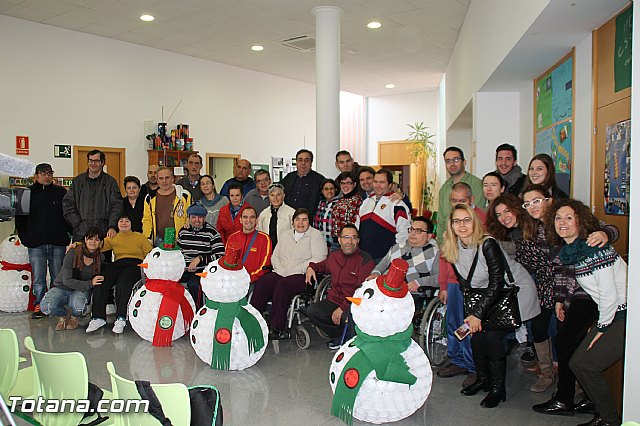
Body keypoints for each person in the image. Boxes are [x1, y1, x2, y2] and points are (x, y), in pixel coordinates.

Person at [525, 183, 618, 417]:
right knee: (568, 342)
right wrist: (559, 299)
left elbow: (608, 231)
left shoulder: (570, 218)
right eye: (527, 204)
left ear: (548, 199)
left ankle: (565, 398)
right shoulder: (544, 230)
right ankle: (583, 396)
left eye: (537, 200)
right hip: (575, 291)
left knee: (566, 341)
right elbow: (560, 268)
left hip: (591, 292)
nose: (532, 206)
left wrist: (605, 233)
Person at [441, 205, 539, 408]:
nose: (462, 225)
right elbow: (465, 285)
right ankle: (483, 380)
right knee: (476, 338)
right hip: (484, 296)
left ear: (475, 222)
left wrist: (477, 315)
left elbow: (497, 282)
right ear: (451, 225)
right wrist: (471, 316)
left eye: (467, 220)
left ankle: (498, 389)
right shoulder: (453, 247)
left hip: (511, 292)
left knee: (492, 337)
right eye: (457, 221)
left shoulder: (487, 244)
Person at [547, 199, 627, 426]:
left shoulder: (593, 248)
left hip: (625, 314)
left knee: (587, 365)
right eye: (558, 218)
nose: (562, 222)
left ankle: (609, 420)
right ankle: (603, 414)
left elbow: (610, 295)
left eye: (569, 218)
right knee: (577, 363)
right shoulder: (573, 251)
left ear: (580, 222)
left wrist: (602, 328)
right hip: (612, 313)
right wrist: (562, 301)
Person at [436, 181, 489, 386]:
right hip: (452, 282)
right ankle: (457, 359)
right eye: (454, 201)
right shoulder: (451, 221)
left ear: (472, 200)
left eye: (463, 200)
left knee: (468, 325)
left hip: (473, 283)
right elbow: (444, 255)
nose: (458, 204)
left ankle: (473, 366)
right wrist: (442, 285)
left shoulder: (480, 220)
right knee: (453, 323)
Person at [251, 208, 327, 340]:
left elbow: (319, 257)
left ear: (309, 222)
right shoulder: (286, 235)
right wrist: (279, 268)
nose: (300, 223)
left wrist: (297, 269)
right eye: (297, 219)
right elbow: (275, 255)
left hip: (302, 275)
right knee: (263, 282)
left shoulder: (316, 235)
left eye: (304, 219)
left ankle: (277, 327)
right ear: (293, 222)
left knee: (283, 286)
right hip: (282, 271)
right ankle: (253, 320)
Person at [15, 163, 72, 319]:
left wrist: (69, 236)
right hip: (36, 243)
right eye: (43, 173)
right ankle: (39, 305)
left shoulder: (61, 193)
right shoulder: (26, 193)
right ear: (36, 176)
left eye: (49, 173)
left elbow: (67, 216)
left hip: (58, 242)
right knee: (39, 278)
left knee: (58, 277)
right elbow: (20, 219)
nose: (47, 176)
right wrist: (25, 238)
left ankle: (56, 305)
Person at [305, 224, 374, 347]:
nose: (350, 241)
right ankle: (341, 336)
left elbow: (361, 291)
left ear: (358, 241)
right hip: (334, 300)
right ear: (339, 240)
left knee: (345, 318)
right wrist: (311, 267)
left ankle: (351, 340)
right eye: (346, 237)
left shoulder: (365, 260)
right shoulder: (334, 255)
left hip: (354, 304)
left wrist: (342, 308)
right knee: (313, 311)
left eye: (354, 237)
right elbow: (323, 266)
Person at [86, 215, 152, 334]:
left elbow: (150, 254)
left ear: (132, 223)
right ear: (117, 224)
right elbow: (94, 244)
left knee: (124, 281)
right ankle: (98, 317)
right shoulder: (113, 237)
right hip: (118, 263)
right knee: (101, 280)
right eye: (121, 221)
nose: (124, 223)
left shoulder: (140, 237)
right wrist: (76, 245)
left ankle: (121, 318)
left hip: (136, 264)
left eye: (127, 220)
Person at [40, 227, 104, 331]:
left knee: (78, 308)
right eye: (90, 238)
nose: (93, 242)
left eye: (97, 239)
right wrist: (90, 283)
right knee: (46, 307)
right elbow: (67, 281)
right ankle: (65, 315)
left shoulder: (100, 258)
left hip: (80, 290)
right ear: (85, 240)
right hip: (62, 287)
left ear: (101, 243)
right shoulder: (73, 252)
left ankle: (74, 317)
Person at [63, 149, 122, 242]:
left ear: (102, 162)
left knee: (102, 257)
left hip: (103, 234)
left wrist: (112, 226)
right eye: (90, 161)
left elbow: (116, 206)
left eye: (96, 161)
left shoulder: (110, 182)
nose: (93, 164)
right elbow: (68, 205)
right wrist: (78, 224)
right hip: (81, 234)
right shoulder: (77, 182)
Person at [368, 217, 439, 292]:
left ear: (429, 236)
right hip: (385, 289)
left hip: (411, 294)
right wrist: (375, 273)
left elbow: (440, 278)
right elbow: (382, 265)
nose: (413, 233)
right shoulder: (397, 247)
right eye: (411, 229)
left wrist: (419, 282)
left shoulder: (435, 253)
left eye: (418, 231)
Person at [356, 168, 410, 262]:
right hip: (364, 259)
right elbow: (357, 228)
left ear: (390, 185)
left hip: (385, 260)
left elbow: (404, 234)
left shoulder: (397, 204)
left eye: (382, 182)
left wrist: (396, 256)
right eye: (375, 181)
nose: (378, 185)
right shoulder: (366, 203)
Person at [177, 204, 225, 307]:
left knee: (194, 284)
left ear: (204, 218)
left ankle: (198, 311)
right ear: (189, 218)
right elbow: (177, 253)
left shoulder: (212, 233)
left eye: (200, 217)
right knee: (170, 281)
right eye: (193, 217)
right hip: (184, 269)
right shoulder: (183, 231)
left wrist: (200, 259)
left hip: (203, 271)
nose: (197, 220)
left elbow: (221, 255)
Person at [436, 146, 485, 243]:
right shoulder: (444, 188)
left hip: (469, 243)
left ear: (464, 162)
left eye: (456, 160)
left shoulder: (477, 185)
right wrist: (442, 245)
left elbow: (477, 217)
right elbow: (441, 221)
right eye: (448, 161)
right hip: (448, 243)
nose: (452, 164)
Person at [142, 166, 191, 246]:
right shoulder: (149, 198)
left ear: (172, 178)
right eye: (161, 178)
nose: (164, 181)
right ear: (157, 180)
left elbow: (189, 216)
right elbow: (147, 220)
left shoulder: (184, 195)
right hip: (157, 240)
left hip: (179, 240)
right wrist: (147, 238)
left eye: (167, 178)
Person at [226, 206, 272, 284]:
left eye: (252, 217)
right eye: (245, 217)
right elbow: (227, 262)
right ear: (240, 220)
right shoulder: (232, 237)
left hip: (254, 281)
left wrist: (249, 279)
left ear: (256, 220)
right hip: (233, 281)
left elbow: (265, 266)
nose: (248, 220)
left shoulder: (264, 239)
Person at [281, 149, 325, 217]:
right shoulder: (289, 177)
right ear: (296, 162)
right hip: (288, 219)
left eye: (306, 160)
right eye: (300, 160)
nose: (303, 163)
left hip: (308, 220)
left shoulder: (319, 180)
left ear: (311, 162)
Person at [257, 183, 294, 249]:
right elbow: (260, 233)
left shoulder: (291, 213)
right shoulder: (264, 214)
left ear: (283, 196)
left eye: (278, 195)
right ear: (269, 196)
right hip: (268, 250)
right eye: (272, 195)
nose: (275, 198)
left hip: (286, 250)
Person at [332, 172, 363, 243]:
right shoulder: (340, 200)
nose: (345, 186)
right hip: (337, 240)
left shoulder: (357, 201)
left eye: (348, 183)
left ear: (354, 184)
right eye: (342, 183)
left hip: (349, 241)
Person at [312, 179, 340, 250]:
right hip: (319, 242)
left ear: (336, 190)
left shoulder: (339, 204)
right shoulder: (320, 203)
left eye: (331, 189)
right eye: (326, 189)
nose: (329, 191)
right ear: (322, 191)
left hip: (333, 244)